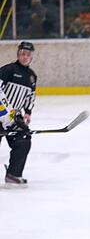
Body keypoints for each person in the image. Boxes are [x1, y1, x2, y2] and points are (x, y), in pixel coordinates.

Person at [0, 41, 37, 187]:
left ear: (31, 57)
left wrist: (27, 112)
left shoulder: (32, 77)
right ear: (18, 54)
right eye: (22, 53)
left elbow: (30, 96)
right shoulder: (8, 70)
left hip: (14, 118)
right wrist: (6, 111)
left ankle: (13, 175)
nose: (25, 56)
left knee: (24, 138)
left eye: (28, 54)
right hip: (1, 113)